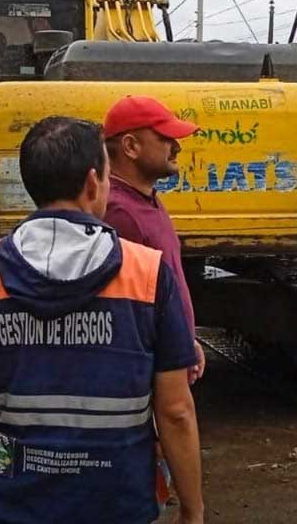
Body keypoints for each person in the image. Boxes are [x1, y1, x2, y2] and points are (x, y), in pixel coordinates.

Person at [0, 116, 204, 524]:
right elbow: (175, 412)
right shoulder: (147, 273)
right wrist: (192, 510)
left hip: (6, 502)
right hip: (116, 501)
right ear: (94, 182)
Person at [101, 95, 205, 384]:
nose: (177, 146)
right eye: (166, 137)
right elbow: (131, 311)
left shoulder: (146, 201)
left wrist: (187, 340)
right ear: (131, 146)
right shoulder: (120, 213)